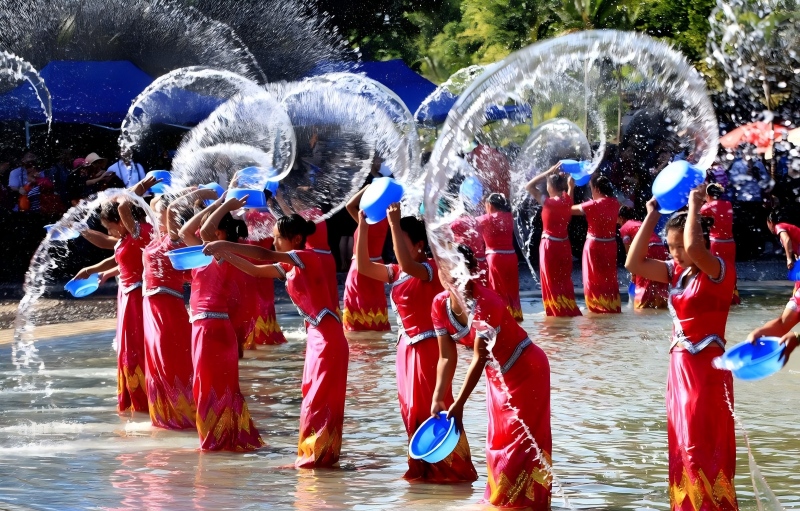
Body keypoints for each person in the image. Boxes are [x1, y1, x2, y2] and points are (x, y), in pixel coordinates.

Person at [203, 214, 348, 467]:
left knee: (319, 399)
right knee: (310, 398)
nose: (274, 242)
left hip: (328, 339)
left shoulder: (306, 257)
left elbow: (262, 256)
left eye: (279, 238)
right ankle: (311, 455)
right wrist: (223, 255)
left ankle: (317, 457)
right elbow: (254, 269)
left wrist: (225, 245)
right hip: (317, 339)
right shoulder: (290, 267)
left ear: (296, 239)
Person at [625, 187, 737, 510]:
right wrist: (651, 214)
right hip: (679, 372)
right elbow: (634, 262)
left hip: (708, 373)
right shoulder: (675, 272)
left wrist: (693, 205)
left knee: (700, 444)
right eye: (670, 247)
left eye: (680, 248)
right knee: (681, 444)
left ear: (699, 241)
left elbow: (692, 246)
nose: (676, 253)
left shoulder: (719, 270)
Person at [354, 203, 477, 482]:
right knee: (410, 410)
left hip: (428, 350)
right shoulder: (396, 272)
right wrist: (362, 225)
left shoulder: (429, 269)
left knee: (431, 408)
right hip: (405, 351)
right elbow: (362, 266)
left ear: (419, 244)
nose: (394, 245)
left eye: (400, 240)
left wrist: (395, 223)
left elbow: (409, 263)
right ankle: (422, 470)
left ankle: (451, 471)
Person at [431, 245, 551, 509]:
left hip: (527, 369)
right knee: (498, 441)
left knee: (521, 444)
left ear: (471, 272)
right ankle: (503, 500)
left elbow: (480, 356)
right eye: (445, 269)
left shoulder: (487, 303)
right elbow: (446, 357)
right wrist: (439, 397)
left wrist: (459, 403)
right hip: (497, 376)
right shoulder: (439, 304)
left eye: (456, 270)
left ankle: (526, 503)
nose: (450, 276)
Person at [178, 195, 264, 451]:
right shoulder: (206, 254)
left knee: (208, 388)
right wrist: (215, 205)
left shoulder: (222, 251)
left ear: (219, 231)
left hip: (211, 328)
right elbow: (185, 232)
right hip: (207, 327)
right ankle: (221, 440)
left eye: (208, 227)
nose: (200, 232)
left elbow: (201, 230)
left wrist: (225, 205)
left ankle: (214, 444)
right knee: (209, 386)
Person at [75, 199, 153, 413]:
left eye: (110, 227)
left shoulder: (140, 233)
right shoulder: (127, 237)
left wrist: (122, 195)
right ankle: (133, 397)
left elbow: (122, 210)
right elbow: (118, 257)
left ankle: (143, 399)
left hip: (137, 296)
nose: (110, 232)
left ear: (121, 221)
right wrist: (94, 270)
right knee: (127, 348)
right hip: (126, 294)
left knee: (135, 347)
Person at [142, 187, 210, 429]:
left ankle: (183, 414)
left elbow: (171, 209)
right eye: (155, 213)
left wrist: (193, 193)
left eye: (159, 214)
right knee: (156, 358)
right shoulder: (154, 240)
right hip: (150, 305)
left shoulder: (174, 239)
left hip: (167, 306)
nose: (156, 217)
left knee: (169, 357)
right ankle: (163, 415)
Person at [525, 164, 581, 317]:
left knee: (551, 280)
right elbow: (570, 190)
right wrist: (571, 184)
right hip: (564, 245)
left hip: (550, 246)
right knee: (564, 280)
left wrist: (547, 172)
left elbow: (529, 186)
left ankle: (555, 313)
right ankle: (567, 309)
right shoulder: (567, 201)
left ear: (550, 186)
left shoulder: (548, 202)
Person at [571, 174, 621, 314]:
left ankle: (595, 310)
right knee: (609, 279)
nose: (591, 191)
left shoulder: (591, 205)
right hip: (610, 246)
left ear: (597, 189)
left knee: (593, 280)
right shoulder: (615, 203)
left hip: (594, 247)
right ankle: (611, 307)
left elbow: (566, 209)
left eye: (592, 188)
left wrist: (570, 188)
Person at [342, 186, 390, 332]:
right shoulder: (383, 220)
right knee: (374, 312)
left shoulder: (367, 222)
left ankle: (358, 348)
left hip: (360, 267)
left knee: (356, 310)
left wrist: (367, 187)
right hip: (376, 268)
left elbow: (349, 205)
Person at [477, 193, 523, 321]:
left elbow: (465, 225)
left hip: (495, 258)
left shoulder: (486, 219)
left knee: (497, 290)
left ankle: (500, 319)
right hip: (511, 257)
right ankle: (516, 318)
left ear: (490, 205)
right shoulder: (509, 216)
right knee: (512, 290)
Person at [618, 206, 668, 309]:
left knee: (642, 283)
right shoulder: (639, 223)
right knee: (659, 281)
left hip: (648, 250)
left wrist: (633, 272)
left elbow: (629, 252)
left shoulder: (624, 227)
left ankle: (641, 311)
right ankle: (661, 306)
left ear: (621, 218)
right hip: (661, 249)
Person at [701, 183, 740, 305]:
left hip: (716, 243)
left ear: (708, 194)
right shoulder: (728, 204)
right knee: (730, 268)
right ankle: (732, 295)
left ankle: (715, 294)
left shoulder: (709, 206)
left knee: (714, 268)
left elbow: (697, 213)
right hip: (730, 243)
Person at [767, 210, 800, 293]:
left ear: (770, 222)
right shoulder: (785, 226)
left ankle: (793, 303)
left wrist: (789, 258)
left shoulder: (778, 227)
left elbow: (787, 240)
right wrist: (796, 253)